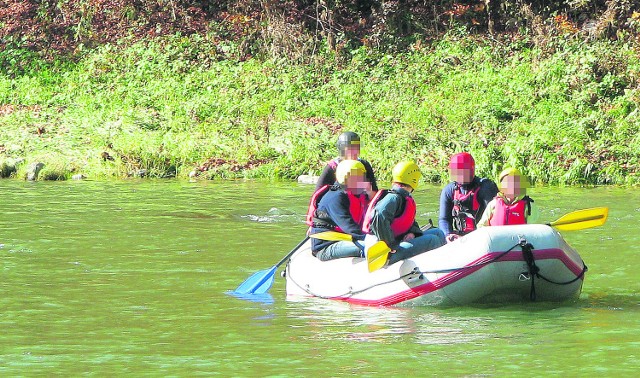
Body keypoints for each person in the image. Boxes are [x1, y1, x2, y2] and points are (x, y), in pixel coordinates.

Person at [363, 161, 446, 266]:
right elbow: (379, 215)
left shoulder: (402, 197)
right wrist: (390, 245)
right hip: (381, 254)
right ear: (414, 179)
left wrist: (412, 233)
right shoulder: (393, 197)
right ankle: (440, 268)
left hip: (394, 244)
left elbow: (407, 220)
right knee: (432, 240)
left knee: (438, 232)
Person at [307, 159, 371, 261]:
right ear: (345, 178)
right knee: (369, 247)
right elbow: (348, 226)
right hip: (325, 247)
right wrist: (371, 239)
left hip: (344, 239)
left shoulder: (357, 196)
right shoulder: (335, 198)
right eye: (358, 178)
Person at [438, 152, 499, 242]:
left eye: (463, 172)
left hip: (482, 237)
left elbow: (494, 219)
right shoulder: (449, 190)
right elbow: (444, 219)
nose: (460, 176)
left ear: (471, 170)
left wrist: (470, 239)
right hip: (460, 236)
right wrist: (448, 235)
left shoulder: (486, 188)